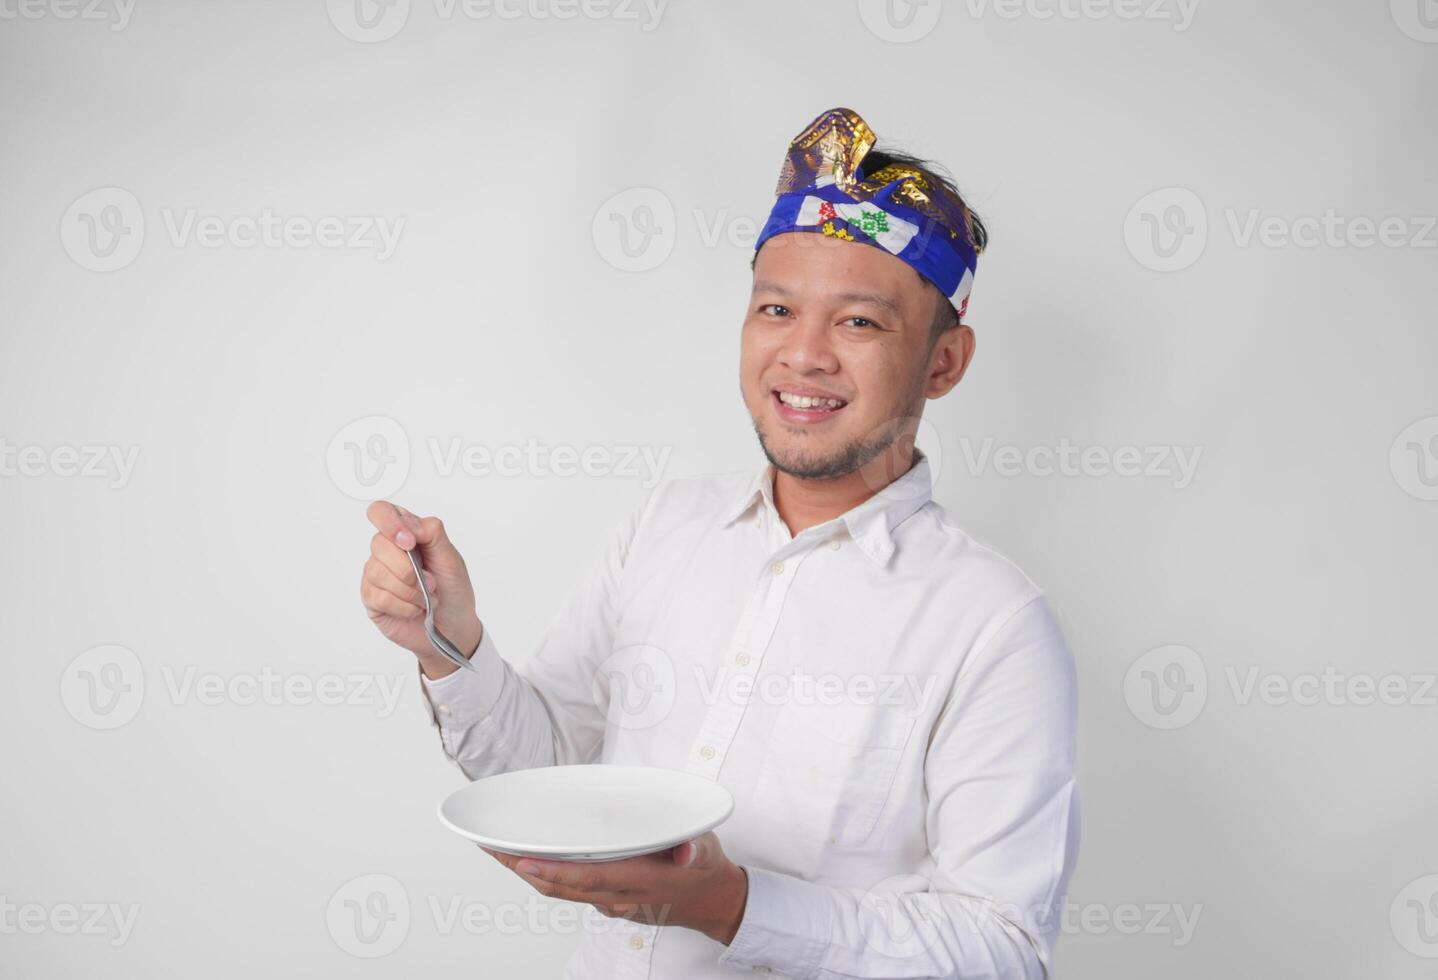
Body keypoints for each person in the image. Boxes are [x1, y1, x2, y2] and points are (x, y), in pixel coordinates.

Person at [359, 106, 1080, 979]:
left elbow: (1003, 951)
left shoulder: (992, 626)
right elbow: (550, 777)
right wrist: (449, 643)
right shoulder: (663, 526)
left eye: (858, 323)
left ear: (944, 362)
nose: (803, 355)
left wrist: (733, 908)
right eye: (776, 308)